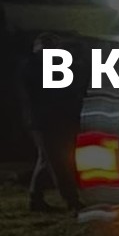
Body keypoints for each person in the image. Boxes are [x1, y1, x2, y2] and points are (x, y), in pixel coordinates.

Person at [23, 31, 86, 213]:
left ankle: (36, 199)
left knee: (48, 159)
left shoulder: (37, 66)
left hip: (45, 121)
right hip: (45, 121)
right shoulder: (38, 68)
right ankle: (71, 200)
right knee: (58, 162)